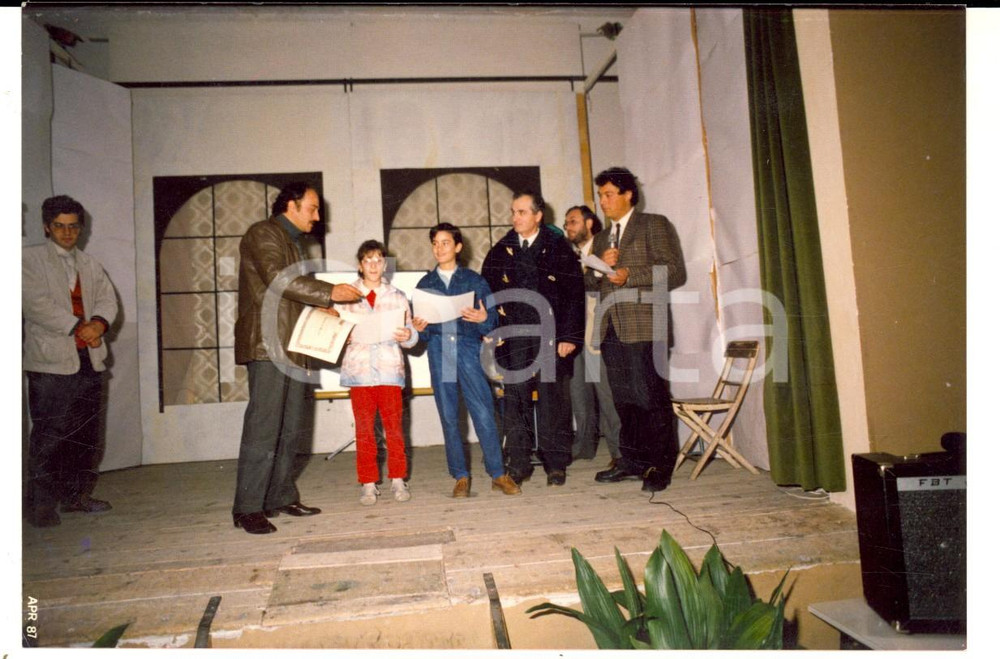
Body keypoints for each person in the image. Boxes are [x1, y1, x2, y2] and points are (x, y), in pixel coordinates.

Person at [233, 181, 362, 534]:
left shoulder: (292, 243)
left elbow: (293, 296)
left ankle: (280, 496)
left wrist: (326, 309)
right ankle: (247, 507)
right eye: (313, 209)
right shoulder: (263, 233)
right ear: (290, 206)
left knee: (290, 427)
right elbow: (278, 279)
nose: (317, 217)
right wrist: (329, 293)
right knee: (264, 426)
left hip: (294, 344)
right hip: (268, 344)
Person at [586, 167, 686, 492]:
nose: (602, 201)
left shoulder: (653, 224)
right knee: (624, 400)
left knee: (651, 398)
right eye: (600, 195)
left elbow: (674, 271)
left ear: (628, 194)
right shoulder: (601, 238)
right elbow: (590, 281)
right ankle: (632, 462)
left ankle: (659, 466)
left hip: (645, 326)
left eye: (608, 194)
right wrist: (600, 266)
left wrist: (630, 274)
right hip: (612, 328)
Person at [22, 195, 119, 528]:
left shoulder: (90, 264)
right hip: (51, 364)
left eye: (73, 227)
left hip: (89, 361)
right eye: (59, 227)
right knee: (49, 436)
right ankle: (41, 505)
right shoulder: (27, 260)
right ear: (47, 227)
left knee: (86, 436)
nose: (67, 233)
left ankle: (77, 496)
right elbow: (35, 304)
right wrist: (80, 326)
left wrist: (99, 324)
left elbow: (108, 299)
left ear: (81, 228)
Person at [481, 191, 584, 486]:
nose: (515, 218)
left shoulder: (558, 248)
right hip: (514, 339)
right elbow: (487, 293)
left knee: (553, 400)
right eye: (513, 212)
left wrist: (569, 336)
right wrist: (493, 332)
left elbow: (573, 295)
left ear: (538, 216)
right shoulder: (501, 250)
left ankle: (556, 465)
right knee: (515, 401)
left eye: (522, 212)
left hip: (552, 337)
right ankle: (519, 463)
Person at [411, 223, 521, 498]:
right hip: (439, 352)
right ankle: (460, 475)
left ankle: (498, 473)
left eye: (445, 243)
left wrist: (485, 319)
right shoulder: (425, 285)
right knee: (449, 416)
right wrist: (420, 327)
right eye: (435, 243)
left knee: (483, 412)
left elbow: (492, 321)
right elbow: (421, 336)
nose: (439, 248)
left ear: (458, 247)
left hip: (469, 351)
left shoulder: (475, 281)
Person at [337, 240, 417, 505]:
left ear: (385, 264)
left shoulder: (397, 296)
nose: (373, 265)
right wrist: (341, 337)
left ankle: (398, 479)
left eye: (378, 260)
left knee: (394, 429)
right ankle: (368, 483)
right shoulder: (346, 296)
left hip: (389, 372)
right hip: (359, 373)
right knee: (364, 431)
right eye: (368, 260)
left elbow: (411, 336)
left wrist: (408, 335)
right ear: (360, 265)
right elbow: (334, 330)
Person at [563, 205, 621, 467]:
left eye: (573, 221)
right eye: (566, 223)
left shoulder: (605, 250)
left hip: (599, 332)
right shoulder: (571, 256)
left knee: (605, 393)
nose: (568, 227)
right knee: (578, 392)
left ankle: (618, 452)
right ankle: (584, 446)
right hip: (576, 334)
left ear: (589, 223)